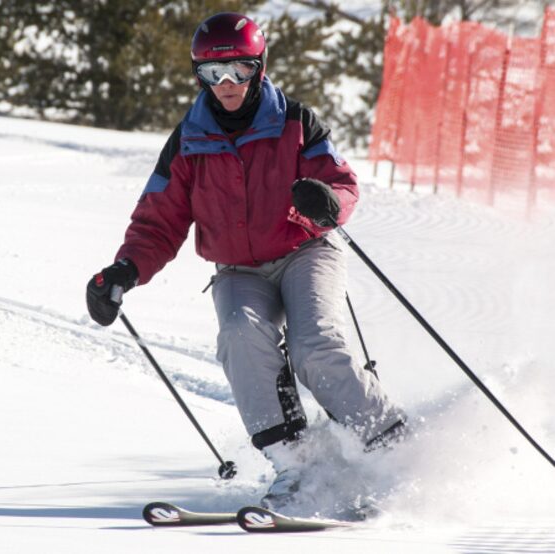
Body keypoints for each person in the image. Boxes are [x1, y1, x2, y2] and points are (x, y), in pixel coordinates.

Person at [86, 12, 407, 511]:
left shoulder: (296, 122)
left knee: (314, 343)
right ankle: (295, 465)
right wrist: (126, 269)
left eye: (238, 69)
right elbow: (159, 219)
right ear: (198, 76)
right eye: (212, 74)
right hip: (237, 268)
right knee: (239, 334)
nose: (227, 84)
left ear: (259, 66)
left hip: (306, 250)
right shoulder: (188, 141)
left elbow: (341, 183)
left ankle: (391, 450)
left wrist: (327, 200)